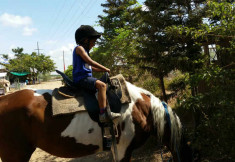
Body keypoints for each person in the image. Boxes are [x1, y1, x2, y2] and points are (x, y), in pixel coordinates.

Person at [73, 25, 121, 123]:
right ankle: (103, 114)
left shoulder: (85, 50)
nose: (94, 44)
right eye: (93, 42)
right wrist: (105, 68)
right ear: (86, 40)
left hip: (86, 77)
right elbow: (90, 62)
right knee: (102, 86)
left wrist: (103, 71)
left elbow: (90, 67)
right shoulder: (79, 49)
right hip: (81, 78)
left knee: (103, 84)